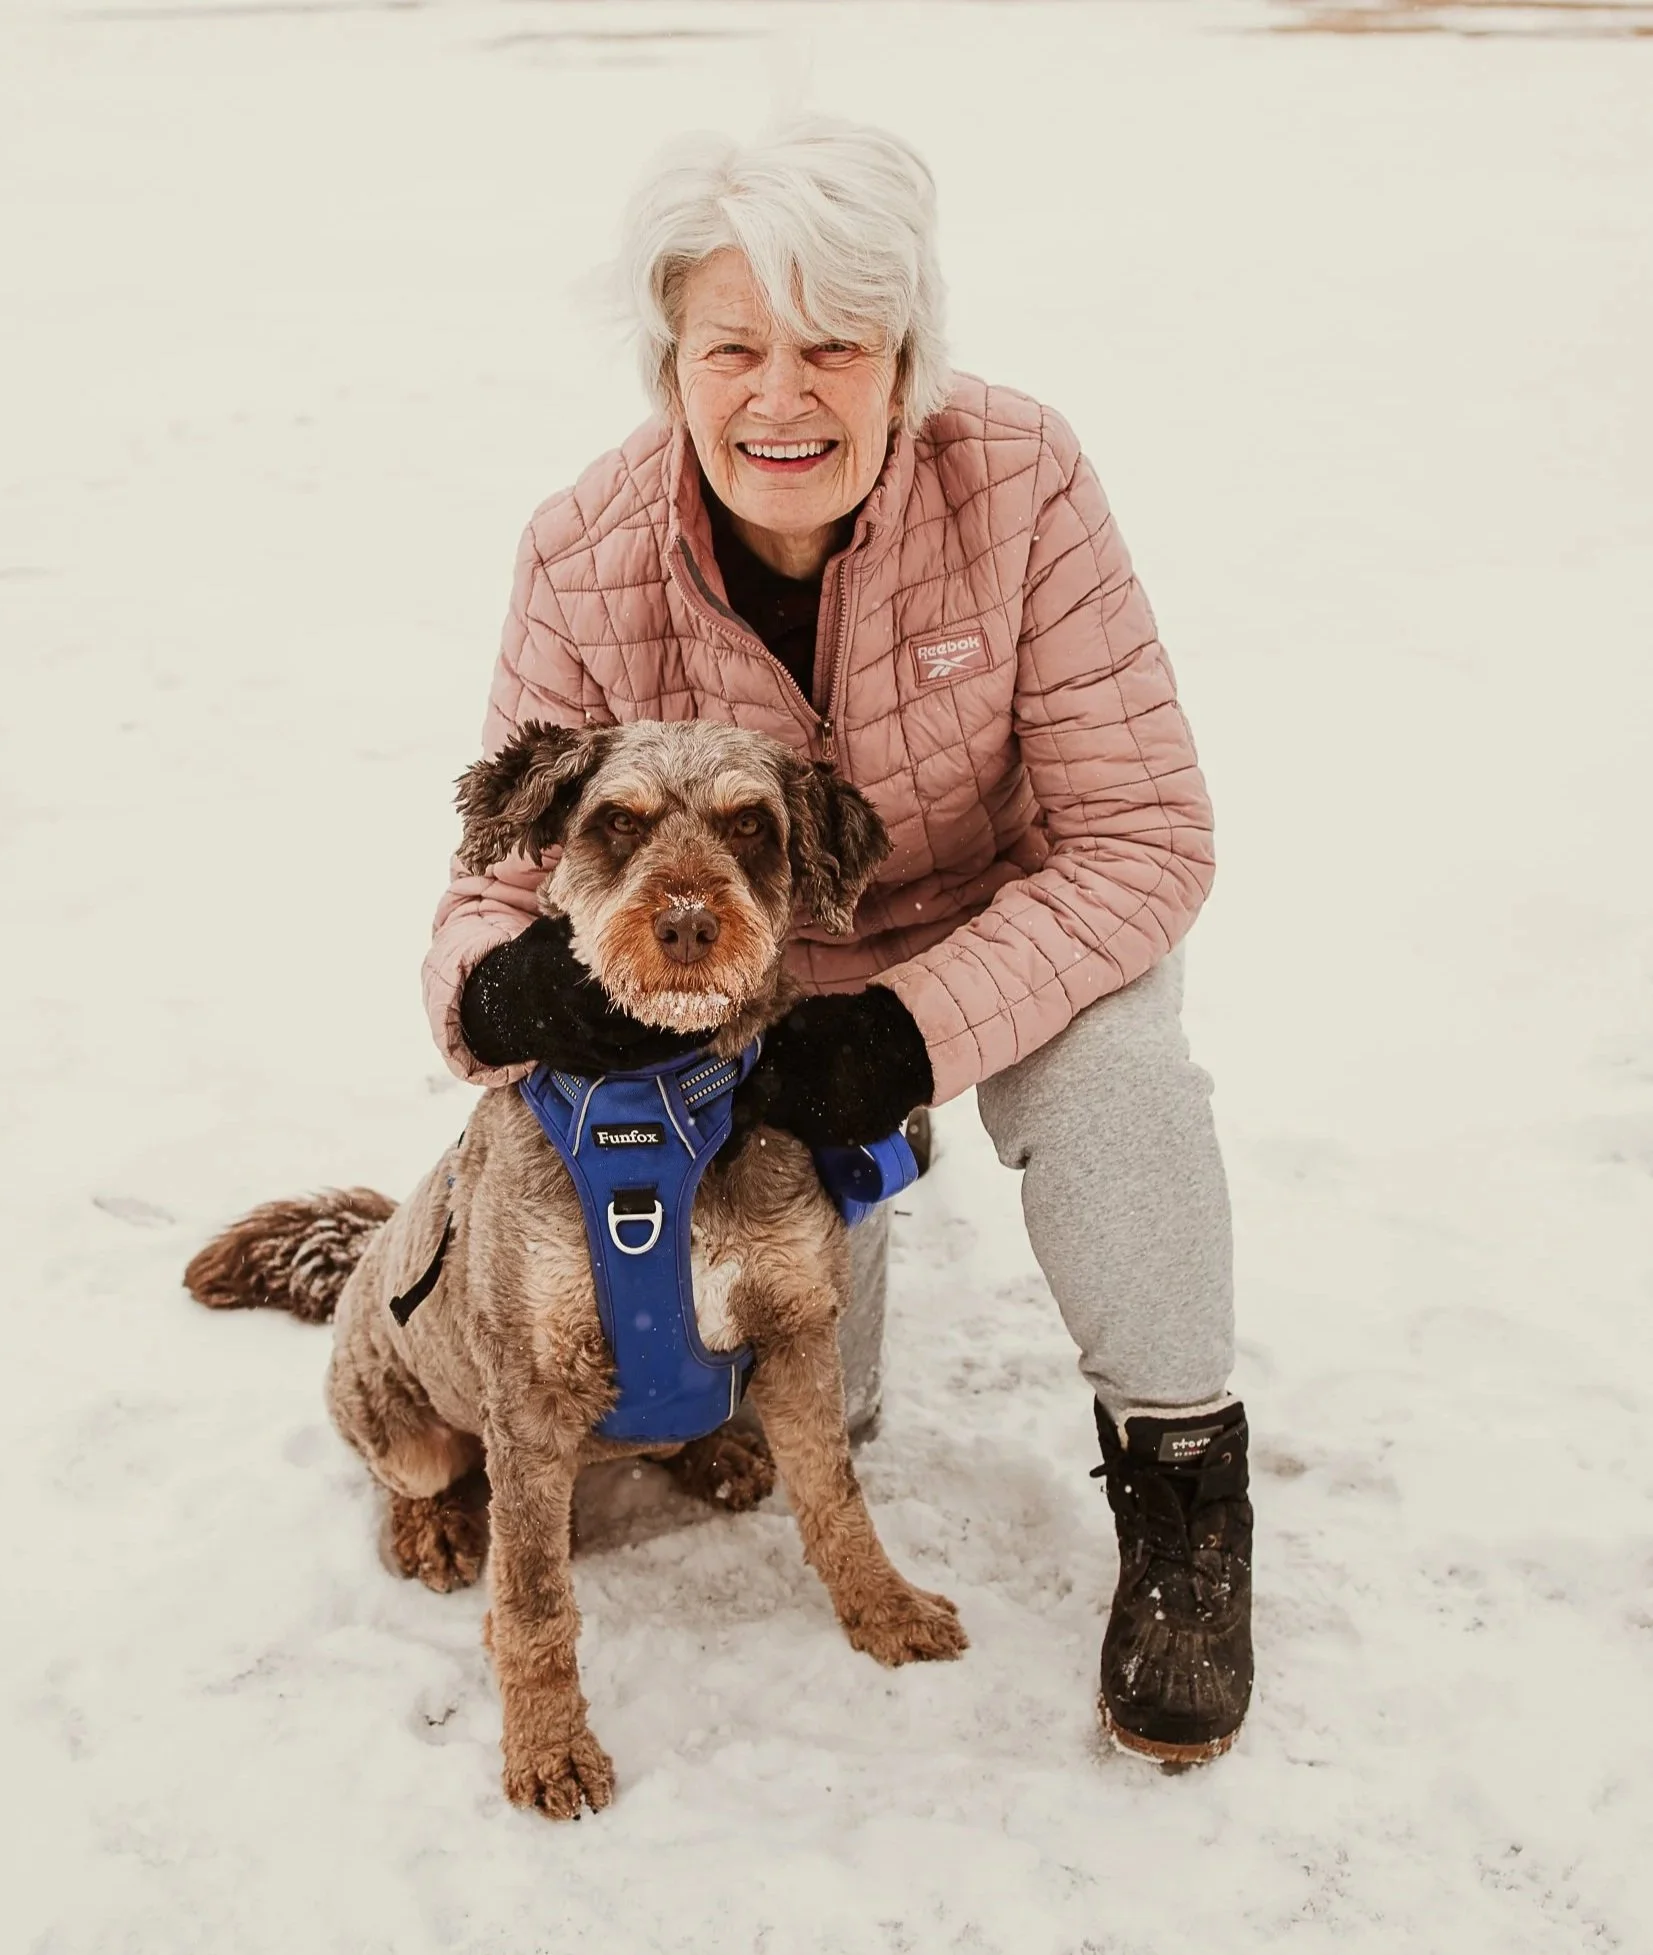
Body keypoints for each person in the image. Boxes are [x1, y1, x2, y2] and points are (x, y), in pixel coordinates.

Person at [423, 121, 1251, 1765]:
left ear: (908, 361)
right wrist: (497, 989)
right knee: (804, 1404)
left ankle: (1184, 1492)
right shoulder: (583, 553)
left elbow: (1146, 837)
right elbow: (492, 876)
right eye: (733, 346)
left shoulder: (1021, 479)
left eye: (834, 346)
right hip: (744, 1010)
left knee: (1127, 1088)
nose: (780, 398)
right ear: (675, 363)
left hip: (1025, 930)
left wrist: (909, 1031)